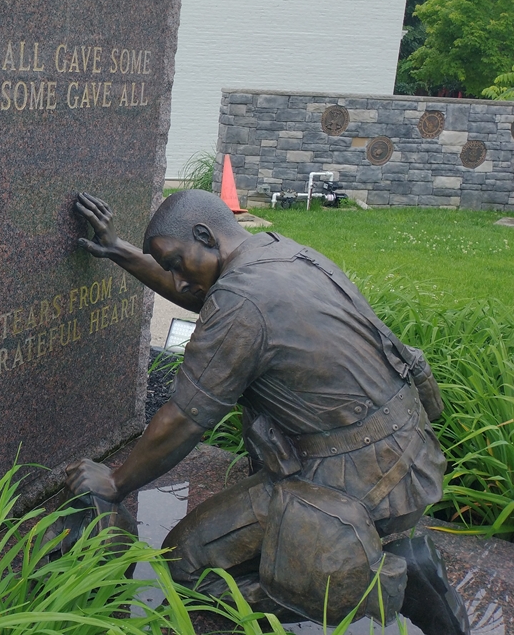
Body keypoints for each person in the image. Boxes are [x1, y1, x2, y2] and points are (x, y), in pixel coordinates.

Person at [66, 190, 469, 635]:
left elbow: (186, 417)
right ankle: (348, 557)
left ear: (205, 235)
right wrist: (119, 251)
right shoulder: (281, 253)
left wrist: (116, 482)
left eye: (176, 263)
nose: (177, 282)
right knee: (232, 551)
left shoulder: (240, 300)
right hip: (408, 455)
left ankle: (389, 584)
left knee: (187, 566)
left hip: (354, 479)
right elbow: (203, 295)